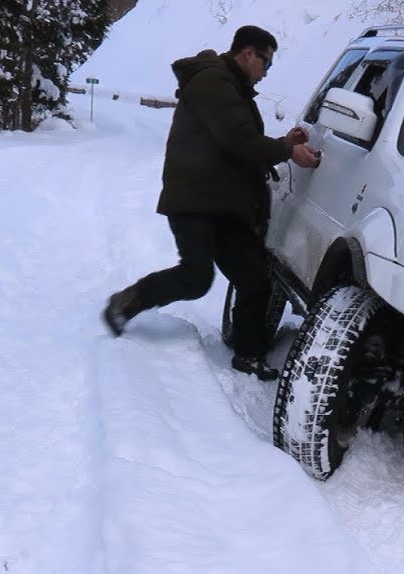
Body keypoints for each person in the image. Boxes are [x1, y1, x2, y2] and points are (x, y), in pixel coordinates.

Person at [101, 25, 322, 380]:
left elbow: (240, 142)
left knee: (253, 277)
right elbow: (238, 139)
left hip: (221, 204)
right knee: (196, 277)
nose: (266, 70)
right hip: (194, 199)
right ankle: (127, 302)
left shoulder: (231, 86)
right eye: (266, 61)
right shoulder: (212, 82)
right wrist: (286, 150)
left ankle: (248, 355)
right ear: (248, 54)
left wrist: (283, 143)